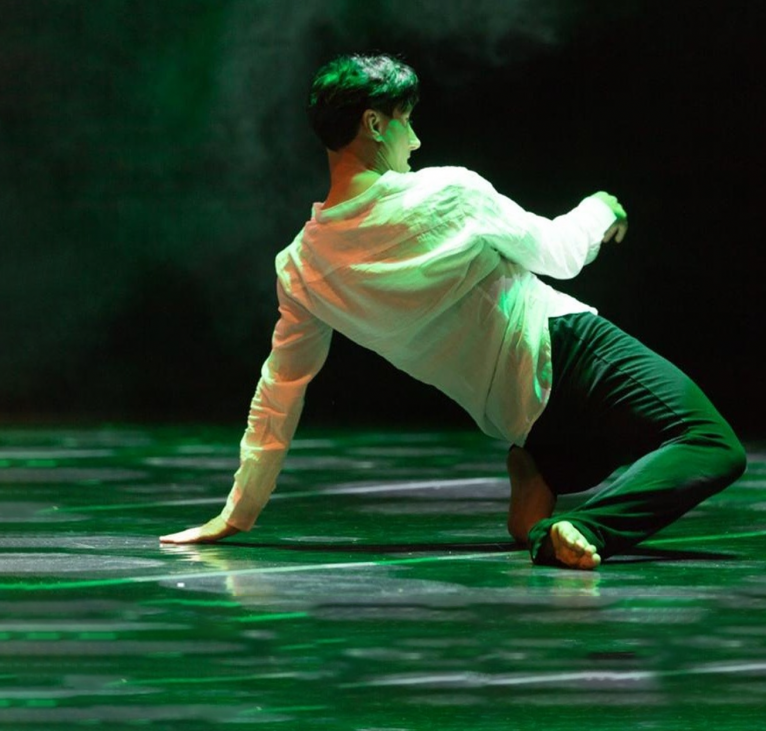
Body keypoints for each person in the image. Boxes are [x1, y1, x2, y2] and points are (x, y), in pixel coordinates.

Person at [160, 53, 746, 569]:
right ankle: (581, 524)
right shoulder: (447, 193)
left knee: (628, 442)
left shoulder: (303, 267)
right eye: (406, 121)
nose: (415, 141)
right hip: (570, 349)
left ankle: (541, 468)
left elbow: (280, 391)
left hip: (514, 414)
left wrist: (238, 513)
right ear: (375, 124)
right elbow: (560, 254)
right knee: (710, 442)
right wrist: (599, 209)